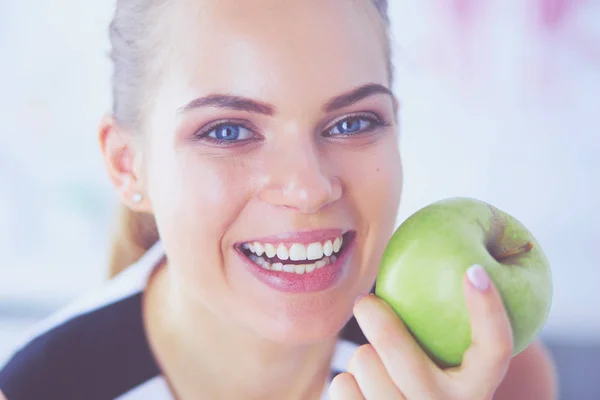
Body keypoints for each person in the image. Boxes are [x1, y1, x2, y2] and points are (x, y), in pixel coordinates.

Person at [0, 0, 558, 399]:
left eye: (353, 121)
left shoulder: (485, 371)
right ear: (128, 164)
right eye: (227, 131)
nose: (309, 188)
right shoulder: (36, 389)